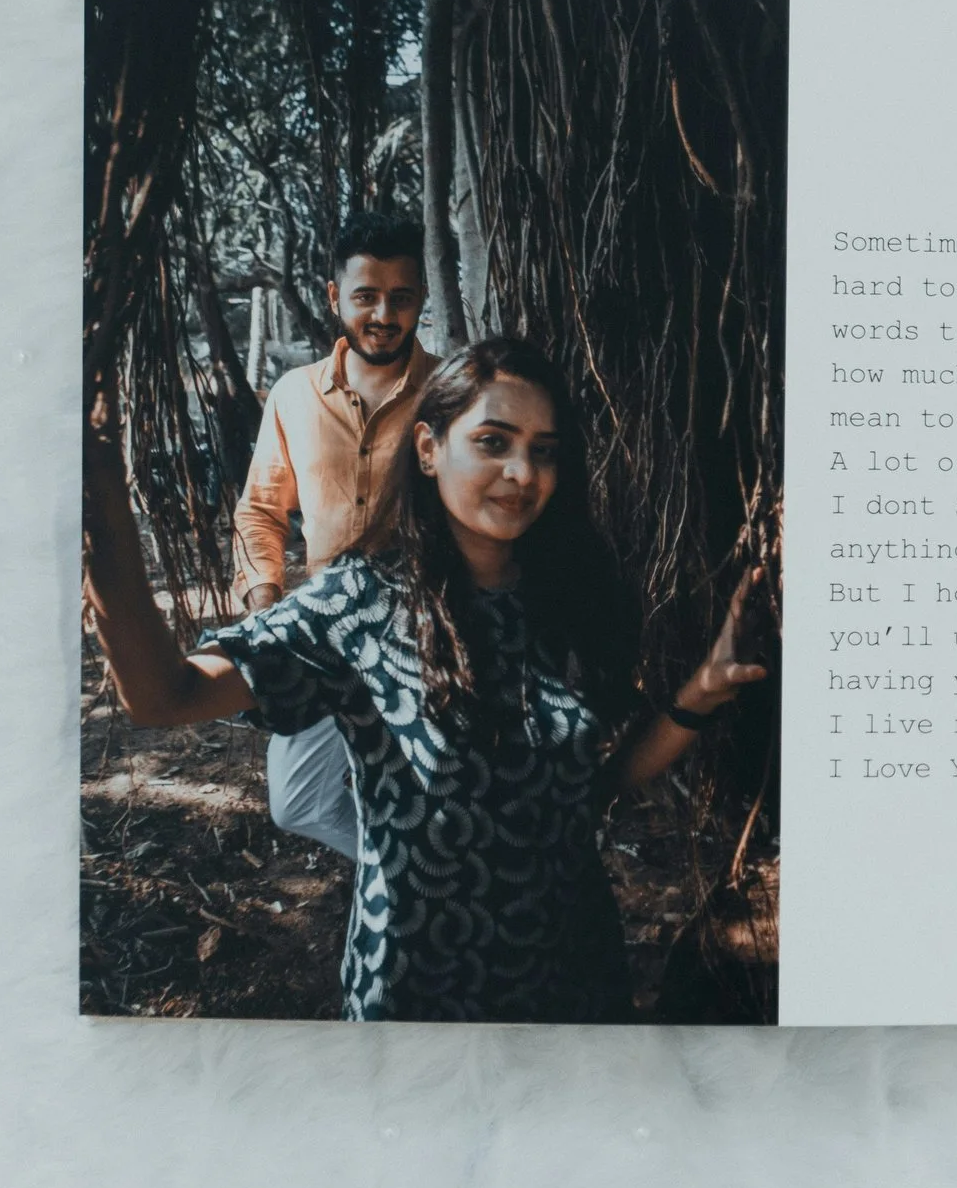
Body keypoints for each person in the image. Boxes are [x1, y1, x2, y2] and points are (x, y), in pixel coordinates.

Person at [83, 338, 770, 1023]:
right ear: (429, 447)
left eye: (545, 450)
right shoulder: (362, 603)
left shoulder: (571, 597)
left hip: (575, 971)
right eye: (493, 441)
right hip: (423, 992)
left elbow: (589, 790)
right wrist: (107, 516)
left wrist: (700, 692)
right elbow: (163, 695)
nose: (522, 472)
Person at [232, 212, 440, 861]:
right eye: (366, 296)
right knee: (294, 800)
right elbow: (260, 509)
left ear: (422, 298)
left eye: (401, 298)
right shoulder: (294, 395)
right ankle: (399, 864)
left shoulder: (452, 392)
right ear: (334, 297)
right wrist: (265, 603)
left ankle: (441, 877)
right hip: (325, 631)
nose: (383, 313)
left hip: (428, 633)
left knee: (444, 786)